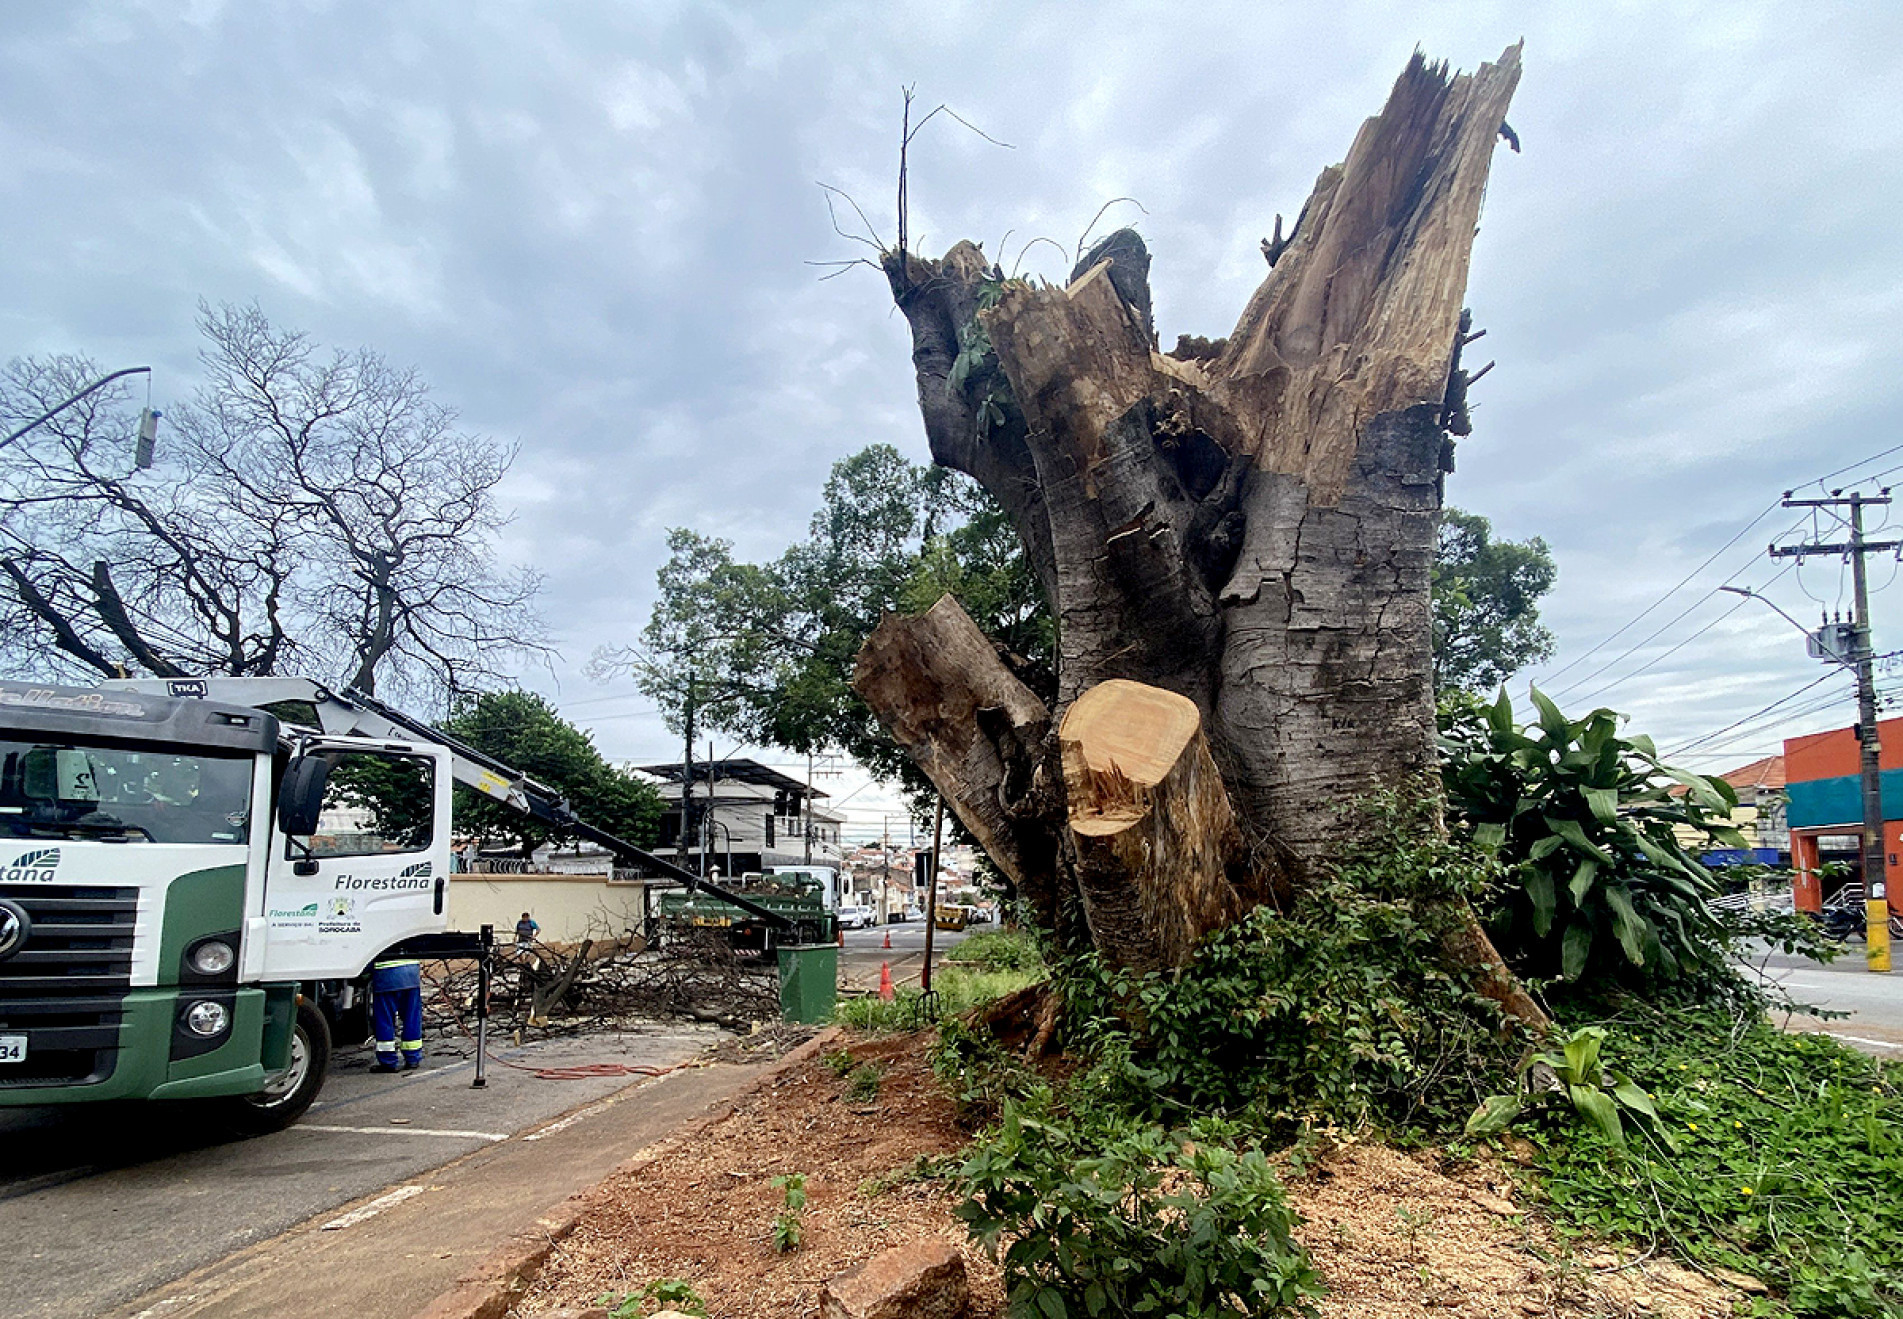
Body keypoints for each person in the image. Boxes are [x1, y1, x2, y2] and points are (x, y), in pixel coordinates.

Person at [370, 956, 424, 1072]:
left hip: (385, 976)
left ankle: (388, 1061)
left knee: (384, 1020)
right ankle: (413, 1058)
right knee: (412, 1019)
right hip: (411, 974)